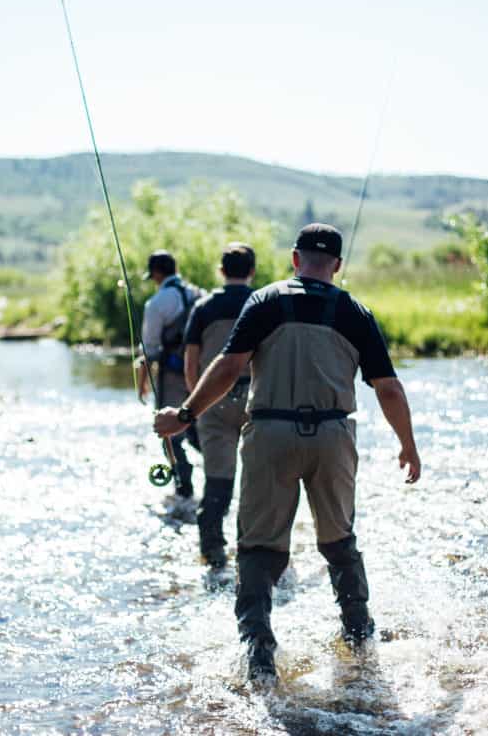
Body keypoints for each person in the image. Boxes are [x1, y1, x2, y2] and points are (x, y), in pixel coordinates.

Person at [154, 224, 421, 685]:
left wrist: (185, 412)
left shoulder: (266, 301)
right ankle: (359, 639)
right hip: (333, 438)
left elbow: (229, 366)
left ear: (295, 259)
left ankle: (259, 656)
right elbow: (389, 389)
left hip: (270, 434)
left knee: (257, 548)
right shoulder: (356, 311)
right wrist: (408, 446)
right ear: (337, 265)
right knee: (339, 541)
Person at [182, 243, 256, 568]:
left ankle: (213, 553)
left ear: (221, 270)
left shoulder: (203, 307)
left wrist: (195, 405)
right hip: (259, 401)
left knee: (217, 480)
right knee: (257, 479)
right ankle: (253, 549)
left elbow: (190, 364)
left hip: (213, 401)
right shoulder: (263, 303)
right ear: (252, 271)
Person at [136, 250, 201, 500]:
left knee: (169, 432)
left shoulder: (157, 303)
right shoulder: (199, 294)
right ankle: (218, 477)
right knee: (199, 426)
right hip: (201, 375)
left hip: (172, 377)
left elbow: (149, 350)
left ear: (157, 274)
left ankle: (183, 487)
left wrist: (142, 383)